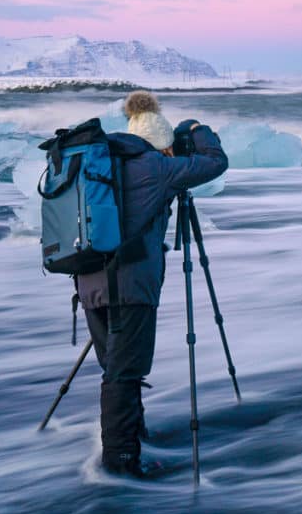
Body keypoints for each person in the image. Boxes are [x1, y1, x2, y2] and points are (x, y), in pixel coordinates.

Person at [76, 90, 228, 478]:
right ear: (162, 146)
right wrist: (197, 129)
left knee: (116, 366)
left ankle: (132, 433)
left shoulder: (104, 160)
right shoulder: (157, 168)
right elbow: (215, 163)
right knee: (123, 374)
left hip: (89, 280)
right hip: (131, 286)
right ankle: (122, 461)